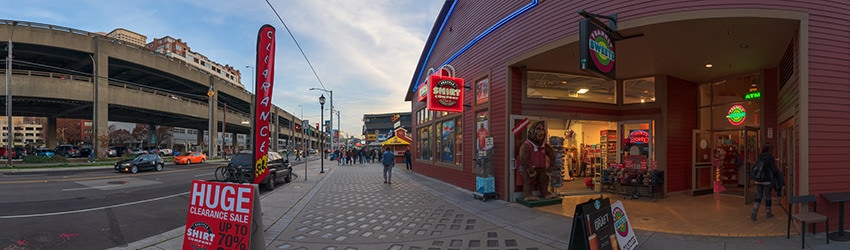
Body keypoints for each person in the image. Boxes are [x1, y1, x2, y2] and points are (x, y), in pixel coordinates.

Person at [517, 120, 556, 201]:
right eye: (538, 129)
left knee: (544, 179)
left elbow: (552, 155)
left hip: (542, 168)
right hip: (530, 167)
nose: (541, 132)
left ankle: (544, 192)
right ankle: (527, 194)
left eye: (542, 130)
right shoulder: (528, 145)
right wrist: (529, 167)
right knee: (528, 181)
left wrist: (551, 166)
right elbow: (523, 157)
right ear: (532, 131)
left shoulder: (544, 145)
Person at [751, 143, 784, 221]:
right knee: (768, 196)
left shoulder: (760, 156)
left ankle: (754, 212)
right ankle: (768, 213)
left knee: (759, 196)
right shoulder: (770, 157)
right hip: (767, 180)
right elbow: (773, 169)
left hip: (758, 179)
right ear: (770, 149)